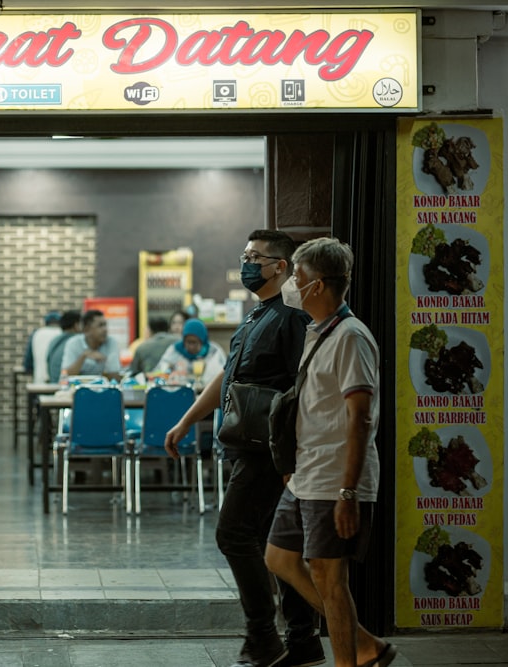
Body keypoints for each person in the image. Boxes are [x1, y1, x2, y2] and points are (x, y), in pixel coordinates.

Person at [164, 230, 320, 667]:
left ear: (281, 267)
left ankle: (264, 638)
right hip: (247, 444)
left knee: (233, 534)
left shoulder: (291, 317)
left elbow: (303, 388)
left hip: (270, 450)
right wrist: (187, 419)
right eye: (245, 254)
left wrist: (295, 454)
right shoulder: (256, 317)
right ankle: (304, 640)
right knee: (277, 545)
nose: (248, 262)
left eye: (256, 256)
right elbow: (227, 380)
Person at [262, 237, 395, 667]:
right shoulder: (320, 331)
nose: (290, 284)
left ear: (317, 286)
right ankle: (365, 644)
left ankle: (350, 660)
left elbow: (360, 419)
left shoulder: (351, 338)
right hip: (307, 475)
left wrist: (348, 492)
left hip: (334, 479)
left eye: (296, 277)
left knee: (330, 580)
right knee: (279, 558)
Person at [154, 318, 227, 390]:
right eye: (188, 342)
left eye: (194, 342)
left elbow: (222, 377)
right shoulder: (174, 351)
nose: (191, 346)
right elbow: (160, 373)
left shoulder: (213, 352)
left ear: (202, 341)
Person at [60, 309, 122, 380]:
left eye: (105, 325)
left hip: (100, 388)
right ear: (87, 330)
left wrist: (108, 362)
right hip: (75, 388)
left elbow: (115, 378)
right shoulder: (73, 343)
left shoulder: (111, 342)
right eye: (100, 326)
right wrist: (83, 356)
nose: (105, 329)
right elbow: (65, 374)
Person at [23, 311, 63, 384]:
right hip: (59, 380)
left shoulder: (37, 333)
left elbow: (28, 361)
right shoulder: (62, 333)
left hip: (39, 380)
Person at [46, 310, 82, 383]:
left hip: (53, 382)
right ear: (76, 325)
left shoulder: (55, 340)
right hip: (64, 385)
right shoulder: (75, 342)